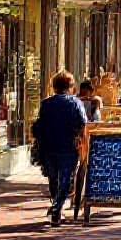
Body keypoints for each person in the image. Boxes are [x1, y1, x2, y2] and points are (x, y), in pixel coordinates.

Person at [32, 70, 87, 226]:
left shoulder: (46, 103)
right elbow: (83, 124)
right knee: (65, 179)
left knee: (53, 179)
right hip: (68, 146)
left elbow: (41, 124)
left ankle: (56, 205)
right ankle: (57, 208)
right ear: (70, 86)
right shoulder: (75, 103)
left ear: (54, 86)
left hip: (49, 146)